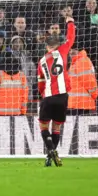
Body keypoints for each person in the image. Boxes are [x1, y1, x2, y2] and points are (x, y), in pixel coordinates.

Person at [38, 16, 75, 167]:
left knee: (43, 126)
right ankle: (50, 154)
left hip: (48, 96)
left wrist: (43, 95)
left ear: (47, 47)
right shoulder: (63, 50)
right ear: (58, 45)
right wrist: (70, 22)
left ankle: (50, 150)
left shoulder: (41, 62)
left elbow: (40, 83)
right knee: (56, 127)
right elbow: (71, 36)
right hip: (63, 96)